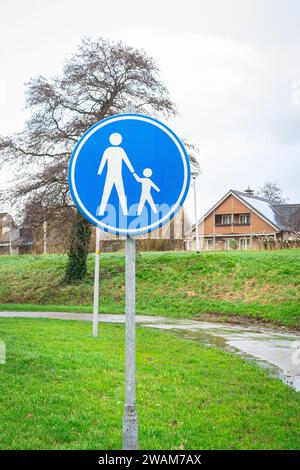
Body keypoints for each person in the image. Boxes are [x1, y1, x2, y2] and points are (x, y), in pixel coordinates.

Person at [98, 133, 136, 216]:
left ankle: (125, 211)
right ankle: (102, 211)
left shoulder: (117, 150)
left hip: (117, 174)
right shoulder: (112, 150)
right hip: (111, 174)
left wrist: (133, 171)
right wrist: (99, 171)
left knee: (119, 192)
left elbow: (127, 162)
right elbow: (103, 161)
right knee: (108, 192)